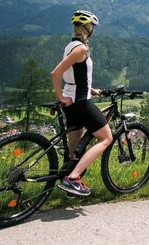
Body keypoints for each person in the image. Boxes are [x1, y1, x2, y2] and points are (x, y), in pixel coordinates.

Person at [50, 10, 113, 196]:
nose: (92, 29)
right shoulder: (81, 49)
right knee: (106, 138)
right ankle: (73, 179)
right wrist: (59, 95)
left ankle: (68, 180)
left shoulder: (70, 46)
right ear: (88, 28)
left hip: (72, 101)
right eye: (92, 26)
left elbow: (75, 74)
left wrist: (91, 89)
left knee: (75, 148)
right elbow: (55, 73)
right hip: (79, 102)